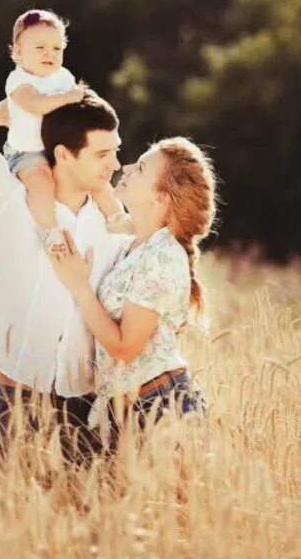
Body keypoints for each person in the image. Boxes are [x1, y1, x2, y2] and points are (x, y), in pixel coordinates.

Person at [0, 89, 128, 464]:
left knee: (83, 517)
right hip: (7, 395)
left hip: (84, 404)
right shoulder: (10, 195)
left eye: (115, 151)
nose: (115, 164)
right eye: (102, 154)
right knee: (7, 514)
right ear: (63, 154)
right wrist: (12, 110)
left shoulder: (114, 217)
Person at [49, 137, 216, 448]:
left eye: (139, 168)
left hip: (158, 411)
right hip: (128, 410)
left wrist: (81, 289)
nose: (125, 167)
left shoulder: (162, 257)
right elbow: (116, 218)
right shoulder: (140, 243)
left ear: (161, 198)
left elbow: (125, 347)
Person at [3, 9, 129, 253]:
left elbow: (81, 102)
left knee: (96, 179)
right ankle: (51, 231)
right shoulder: (18, 80)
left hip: (57, 145)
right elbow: (35, 104)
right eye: (40, 48)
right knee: (41, 182)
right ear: (18, 52)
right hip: (27, 151)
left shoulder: (63, 76)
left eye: (56, 48)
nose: (49, 54)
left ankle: (117, 218)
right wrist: (68, 96)